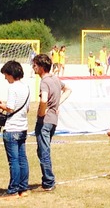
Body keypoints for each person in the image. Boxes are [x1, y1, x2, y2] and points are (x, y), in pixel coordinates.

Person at [32, 54, 72, 191]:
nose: (33, 68)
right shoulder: (55, 79)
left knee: (44, 151)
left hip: (45, 120)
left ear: (42, 67)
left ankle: (49, 182)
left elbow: (43, 100)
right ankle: (47, 179)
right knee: (42, 150)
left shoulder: (44, 82)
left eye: (35, 65)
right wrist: (57, 105)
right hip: (53, 121)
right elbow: (68, 89)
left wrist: (42, 113)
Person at [0, 61, 30, 199]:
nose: (5, 78)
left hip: (12, 128)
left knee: (13, 161)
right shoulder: (26, 87)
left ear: (10, 74)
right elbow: (25, 108)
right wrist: (4, 105)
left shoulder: (12, 88)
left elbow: (11, 108)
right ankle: (23, 188)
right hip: (23, 127)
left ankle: (13, 190)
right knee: (22, 159)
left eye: (6, 75)